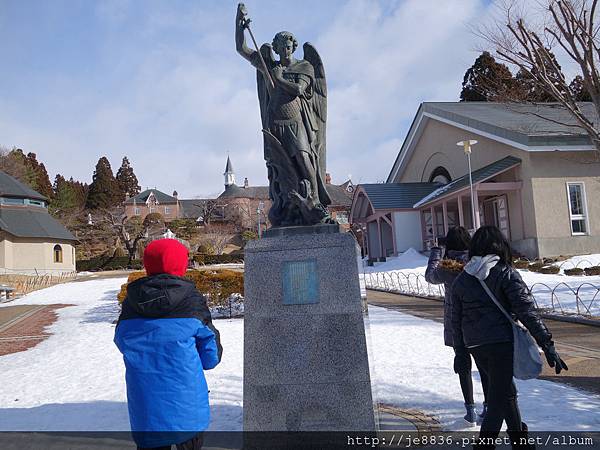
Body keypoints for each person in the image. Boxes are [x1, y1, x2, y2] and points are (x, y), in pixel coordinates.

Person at [451, 226, 567, 448]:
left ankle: (520, 443)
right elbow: (527, 311)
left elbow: (455, 320)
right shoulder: (506, 273)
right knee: (497, 400)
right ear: (500, 245)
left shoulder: (462, 279)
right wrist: (547, 344)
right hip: (501, 345)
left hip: (476, 346)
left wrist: (461, 352)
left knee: (506, 393)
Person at [114, 239, 222, 450]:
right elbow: (211, 357)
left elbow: (121, 339)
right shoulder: (191, 301)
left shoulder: (131, 302)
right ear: (181, 264)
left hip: (146, 408)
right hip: (187, 406)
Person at [425, 226, 487, 424]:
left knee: (463, 365)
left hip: (455, 322)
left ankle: (470, 409)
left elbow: (430, 276)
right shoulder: (476, 264)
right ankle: (489, 405)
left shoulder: (446, 268)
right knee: (483, 365)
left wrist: (436, 250)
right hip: (478, 321)